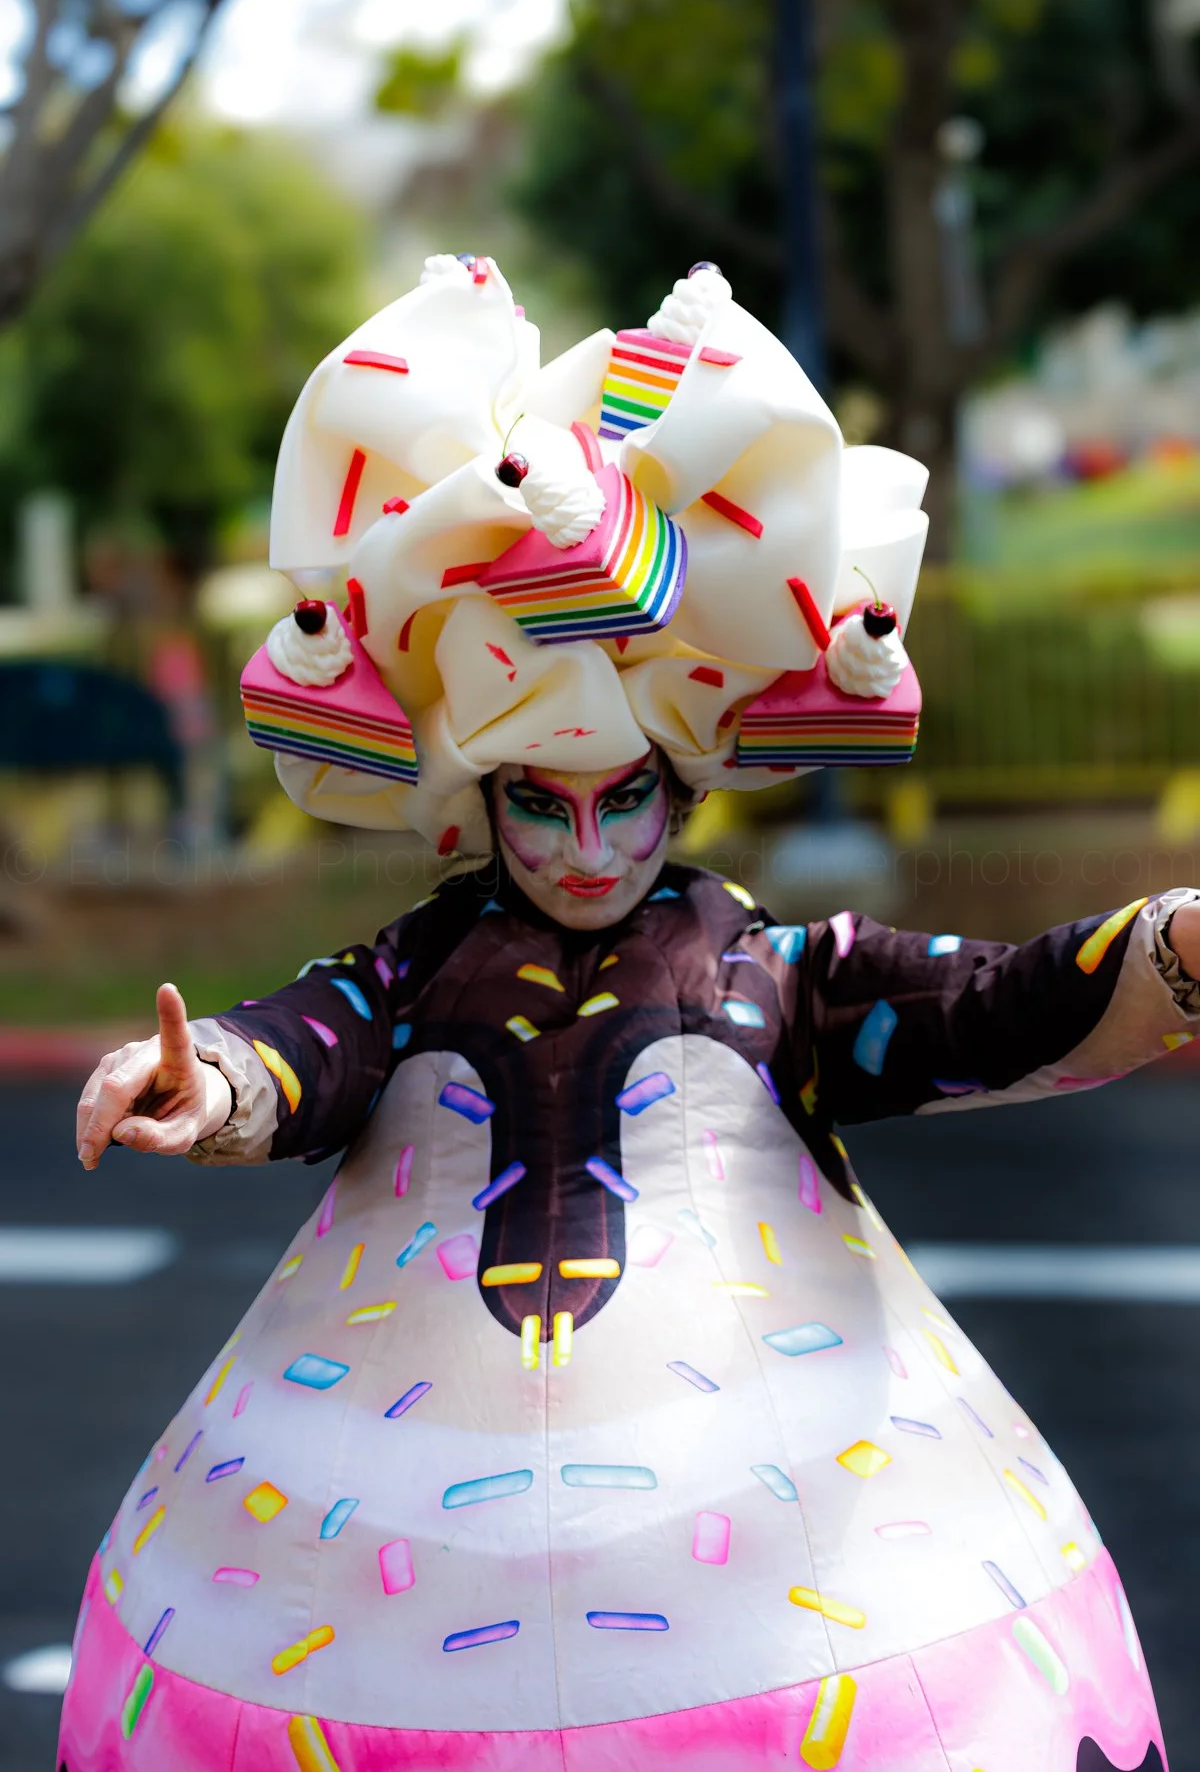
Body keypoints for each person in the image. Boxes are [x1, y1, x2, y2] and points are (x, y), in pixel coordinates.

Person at [58, 259, 1190, 1772]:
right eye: (542, 801)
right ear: (482, 796)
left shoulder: (772, 967)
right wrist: (210, 1086)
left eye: (625, 797)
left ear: (682, 781)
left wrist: (1170, 949)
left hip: (790, 1584)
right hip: (374, 1572)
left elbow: (982, 1007)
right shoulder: (418, 966)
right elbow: (307, 1042)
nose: (588, 847)